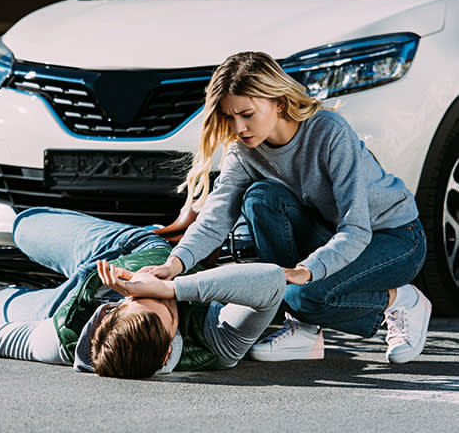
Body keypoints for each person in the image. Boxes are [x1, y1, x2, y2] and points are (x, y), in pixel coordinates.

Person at [140, 51, 430, 364]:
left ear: (278, 102)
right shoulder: (244, 152)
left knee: (303, 295)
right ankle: (303, 328)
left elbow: (356, 229)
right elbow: (215, 220)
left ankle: (402, 300)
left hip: (394, 237)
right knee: (261, 197)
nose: (238, 128)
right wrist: (173, 265)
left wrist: (306, 271)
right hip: (331, 235)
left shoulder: (329, 132)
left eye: (247, 114)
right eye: (229, 117)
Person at [0, 207, 287, 379]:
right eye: (136, 299)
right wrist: (172, 286)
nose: (147, 293)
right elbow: (270, 281)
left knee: (2, 308)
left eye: (161, 303)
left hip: (72, 298)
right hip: (126, 251)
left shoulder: (64, 341)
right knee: (22, 226)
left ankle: (13, 279)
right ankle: (15, 229)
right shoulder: (218, 345)